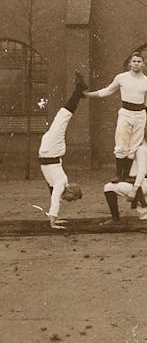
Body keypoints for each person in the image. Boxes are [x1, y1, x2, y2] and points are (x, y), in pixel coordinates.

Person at [84, 51, 147, 210]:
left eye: (139, 61)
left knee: (133, 147)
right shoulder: (121, 78)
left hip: (140, 115)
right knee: (121, 144)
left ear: (143, 64)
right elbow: (108, 90)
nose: (136, 63)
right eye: (134, 61)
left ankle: (127, 175)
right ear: (130, 63)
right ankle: (119, 175)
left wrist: (143, 117)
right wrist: (88, 95)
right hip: (126, 113)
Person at [38, 71, 86, 229]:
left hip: (49, 150)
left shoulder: (58, 184)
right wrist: (53, 222)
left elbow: (54, 197)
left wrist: (54, 219)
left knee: (62, 117)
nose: (68, 201)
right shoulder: (61, 183)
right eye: (71, 199)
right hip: (52, 150)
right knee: (62, 117)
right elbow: (54, 200)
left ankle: (79, 92)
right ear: (70, 191)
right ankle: (79, 91)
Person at [102, 140, 147, 225]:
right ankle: (146, 220)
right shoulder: (141, 147)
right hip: (140, 183)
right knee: (144, 216)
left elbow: (142, 172)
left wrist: (134, 189)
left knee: (108, 187)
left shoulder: (141, 149)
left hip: (140, 184)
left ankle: (115, 219)